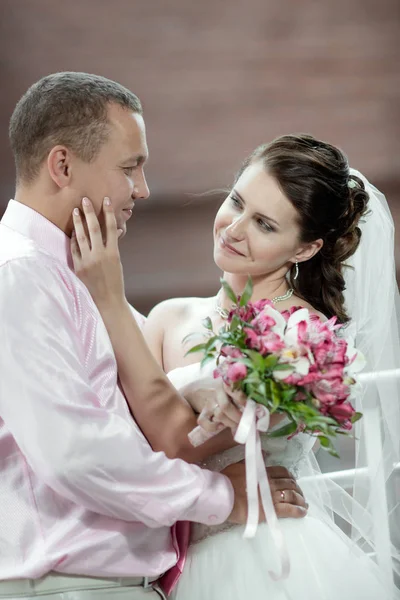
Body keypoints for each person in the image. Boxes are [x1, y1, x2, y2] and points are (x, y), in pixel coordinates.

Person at [0, 72, 307, 600]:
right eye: (129, 168)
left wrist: (195, 391)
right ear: (63, 165)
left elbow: (135, 389)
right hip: (68, 586)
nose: (142, 189)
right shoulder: (19, 276)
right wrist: (222, 498)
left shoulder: (75, 273)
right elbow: (77, 455)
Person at [72, 133, 400, 599]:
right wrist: (186, 392)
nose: (233, 228)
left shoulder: (301, 336)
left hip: (264, 559)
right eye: (236, 201)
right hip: (174, 558)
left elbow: (179, 442)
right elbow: (127, 439)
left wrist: (108, 295)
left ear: (304, 249)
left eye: (265, 224)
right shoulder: (170, 316)